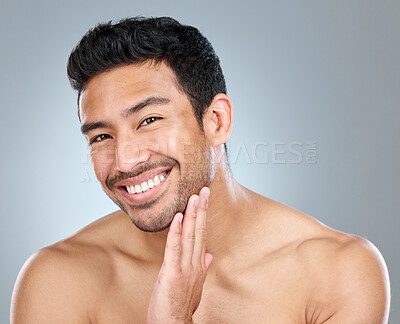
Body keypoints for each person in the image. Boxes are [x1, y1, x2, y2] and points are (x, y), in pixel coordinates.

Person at [11, 17, 390, 323]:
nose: (125, 161)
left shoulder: (338, 271)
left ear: (217, 121)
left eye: (149, 120)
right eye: (100, 137)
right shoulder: (57, 280)